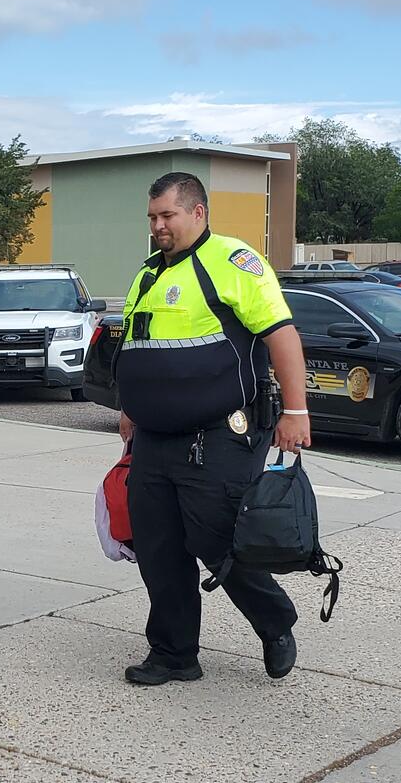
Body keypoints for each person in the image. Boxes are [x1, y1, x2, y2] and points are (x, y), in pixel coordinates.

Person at [115, 172, 312, 686]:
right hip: (154, 439)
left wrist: (297, 411)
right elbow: (140, 347)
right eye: (152, 217)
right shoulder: (147, 274)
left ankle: (275, 622)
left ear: (198, 212)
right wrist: (130, 408)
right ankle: (174, 654)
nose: (158, 226)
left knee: (219, 539)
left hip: (219, 435)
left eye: (167, 216)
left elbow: (282, 335)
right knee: (158, 549)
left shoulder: (233, 261)